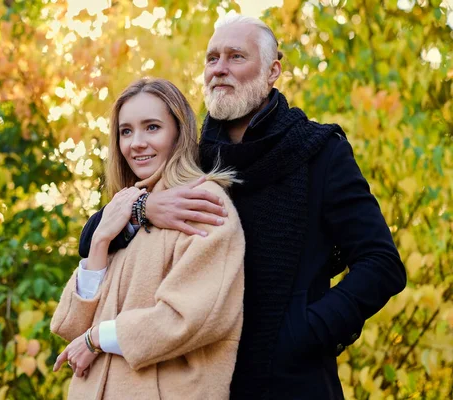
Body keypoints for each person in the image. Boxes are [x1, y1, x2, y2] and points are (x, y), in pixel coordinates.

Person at [77, 15, 407, 400]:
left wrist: (305, 331)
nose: (219, 68)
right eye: (212, 58)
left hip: (293, 382)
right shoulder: (191, 159)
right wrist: (145, 208)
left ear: (272, 71)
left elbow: (381, 265)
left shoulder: (318, 151)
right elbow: (92, 239)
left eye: (236, 57)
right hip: (198, 382)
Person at [50, 78, 245, 399]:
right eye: (126, 131)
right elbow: (71, 326)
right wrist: (100, 241)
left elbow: (188, 318)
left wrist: (96, 338)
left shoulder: (203, 203)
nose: (136, 143)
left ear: (179, 133)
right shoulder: (127, 208)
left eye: (152, 127)